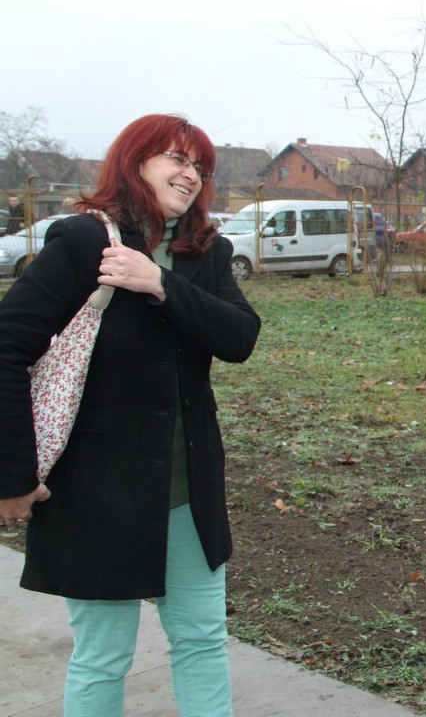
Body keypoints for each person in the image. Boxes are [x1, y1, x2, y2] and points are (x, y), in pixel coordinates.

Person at [0, 114, 261, 716]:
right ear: (135, 161)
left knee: (201, 640)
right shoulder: (83, 242)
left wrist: (159, 282)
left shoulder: (207, 250)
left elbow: (239, 337)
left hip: (187, 492)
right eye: (177, 158)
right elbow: (7, 350)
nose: (191, 175)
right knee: (103, 656)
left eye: (201, 167)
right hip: (98, 492)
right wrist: (13, 476)